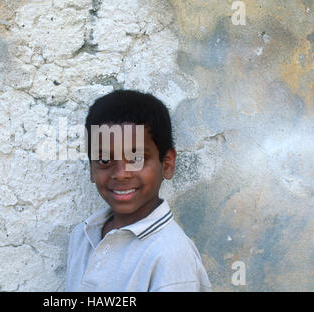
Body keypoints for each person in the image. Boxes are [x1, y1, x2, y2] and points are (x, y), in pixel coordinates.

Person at [65, 90, 212, 291]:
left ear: (167, 164)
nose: (121, 174)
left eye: (136, 159)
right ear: (92, 168)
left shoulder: (170, 255)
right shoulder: (83, 236)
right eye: (105, 160)